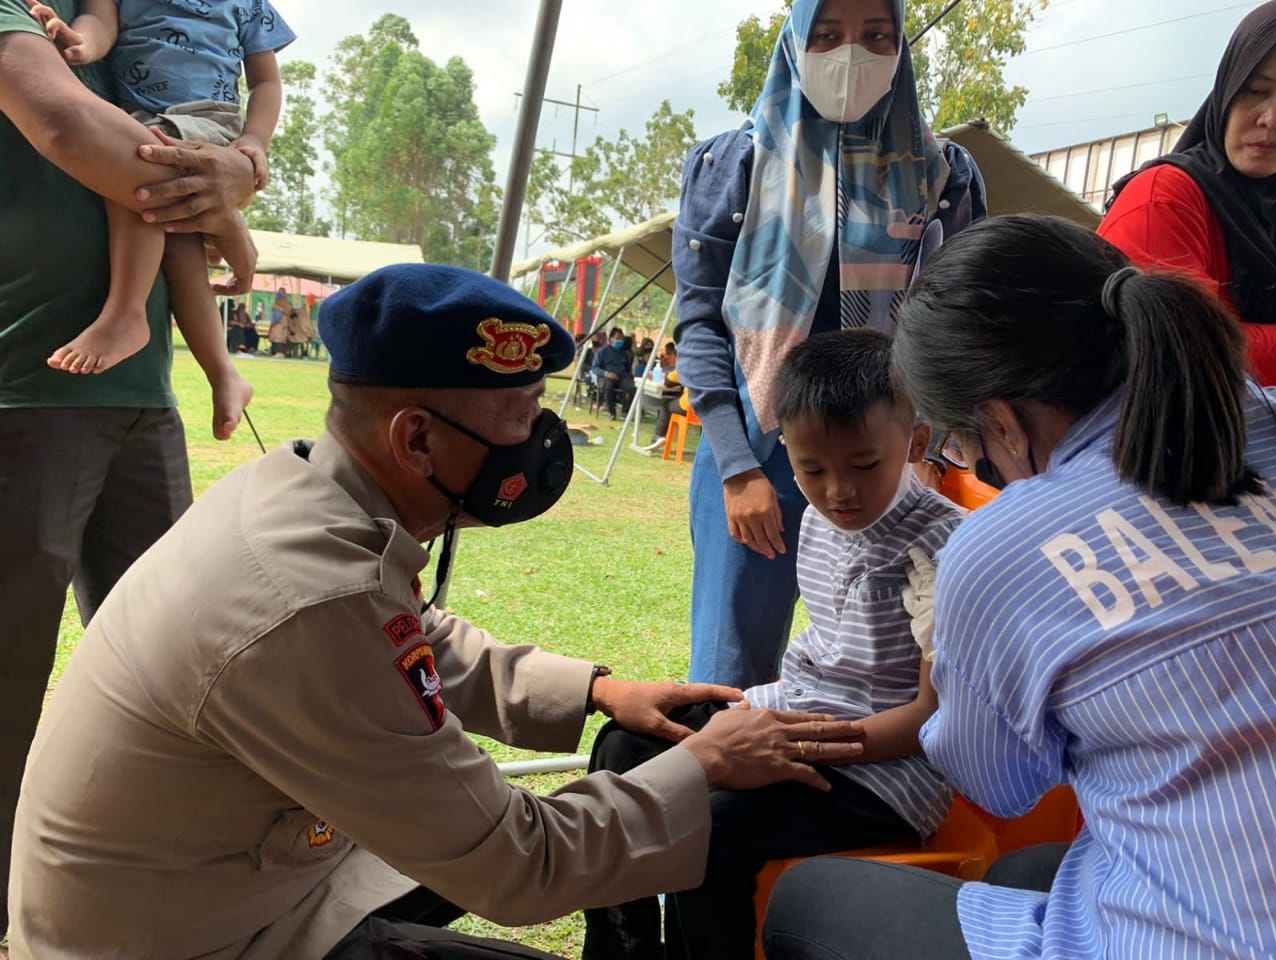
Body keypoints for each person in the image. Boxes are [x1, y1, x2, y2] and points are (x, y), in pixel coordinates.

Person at [6, 264, 866, 960]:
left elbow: (410, 639)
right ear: (416, 439)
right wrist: (706, 766)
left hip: (212, 881)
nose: (536, 443)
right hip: (191, 938)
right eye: (518, 418)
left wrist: (597, 691)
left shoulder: (306, 494)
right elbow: (518, 863)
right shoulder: (309, 599)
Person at [761, 213, 1276, 960]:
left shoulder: (998, 544)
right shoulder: (1260, 423)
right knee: (1031, 870)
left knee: (806, 900)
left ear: (1002, 422)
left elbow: (998, 784)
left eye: (966, 449)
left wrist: (951, 670)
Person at [0, 0, 259, 943]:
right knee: (6, 685)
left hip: (143, 398)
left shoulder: (147, 20)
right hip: (25, 394)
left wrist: (236, 164)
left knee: (170, 666)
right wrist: (224, 182)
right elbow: (71, 128)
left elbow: (223, 106)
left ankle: (149, 887)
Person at [584, 328, 964, 960]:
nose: (838, 491)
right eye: (811, 468)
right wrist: (761, 725)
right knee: (622, 746)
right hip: (796, 715)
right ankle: (621, 951)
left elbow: (934, 717)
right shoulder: (815, 517)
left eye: (863, 465)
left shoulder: (941, 548)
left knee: (702, 825)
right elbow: (827, 649)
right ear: (784, 449)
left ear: (916, 441)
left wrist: (789, 743)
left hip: (887, 774)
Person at [674, 0, 985, 689]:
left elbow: (954, 331)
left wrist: (926, 452)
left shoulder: (943, 177)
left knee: (894, 666)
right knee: (731, 673)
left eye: (876, 36)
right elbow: (699, 323)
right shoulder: (734, 166)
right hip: (758, 452)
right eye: (829, 35)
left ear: (902, 46)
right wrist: (734, 466)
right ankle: (730, 796)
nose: (852, 56)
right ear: (794, 40)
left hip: (890, 458)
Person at [26, 0, 294, 439]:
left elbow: (266, 81)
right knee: (178, 242)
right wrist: (81, 43)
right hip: (143, 118)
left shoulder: (246, 3)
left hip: (206, 120)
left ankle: (126, 314)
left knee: (138, 179)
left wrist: (254, 140)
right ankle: (224, 373)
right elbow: (100, 23)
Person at [1099, 2, 1276, 386]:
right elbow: (1180, 352)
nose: (1272, 119)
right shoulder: (1161, 198)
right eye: (1255, 91)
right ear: (1227, 91)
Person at [592, 328, 635, 420]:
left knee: (632, 388)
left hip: (621, 377)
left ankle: (625, 411)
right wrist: (606, 373)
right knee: (609, 387)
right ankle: (612, 412)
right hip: (607, 377)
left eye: (622, 338)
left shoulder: (623, 353)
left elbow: (628, 369)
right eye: (618, 338)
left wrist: (628, 376)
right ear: (611, 339)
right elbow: (595, 368)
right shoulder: (602, 352)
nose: (620, 340)